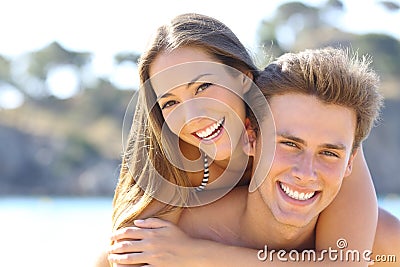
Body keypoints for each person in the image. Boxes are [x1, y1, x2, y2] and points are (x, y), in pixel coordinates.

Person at [95, 13, 382, 266]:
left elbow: (346, 263)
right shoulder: (174, 165)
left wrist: (196, 254)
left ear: (244, 79)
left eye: (203, 86)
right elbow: (131, 250)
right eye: (170, 103)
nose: (191, 116)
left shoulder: (314, 129)